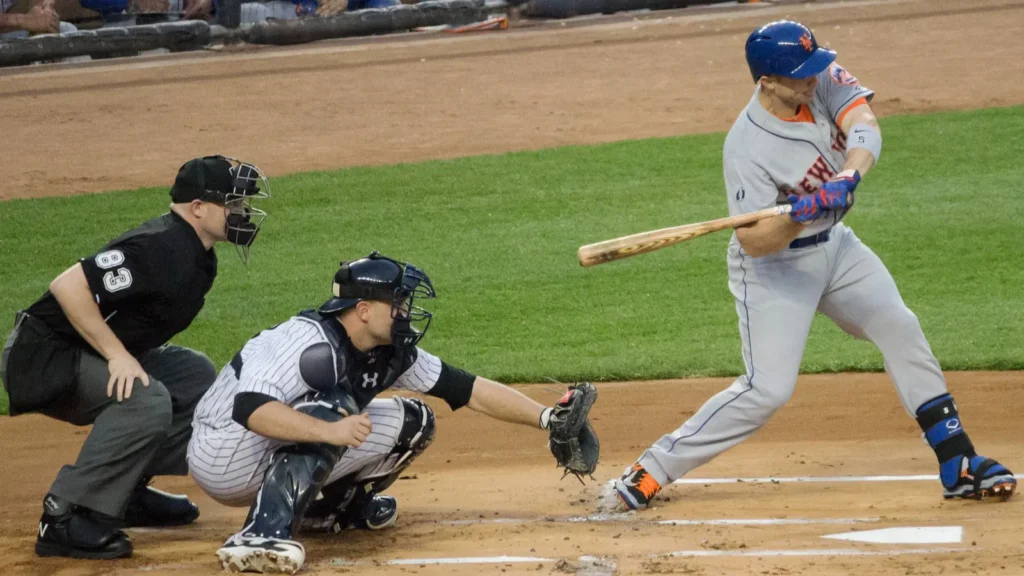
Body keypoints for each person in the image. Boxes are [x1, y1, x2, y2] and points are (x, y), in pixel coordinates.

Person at [614, 20, 1015, 510]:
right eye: (799, 76)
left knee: (900, 327)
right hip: (776, 270)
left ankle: (958, 462)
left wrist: (849, 174)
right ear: (767, 83)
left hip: (838, 250)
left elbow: (864, 124)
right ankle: (650, 470)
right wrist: (794, 217)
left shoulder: (818, 74)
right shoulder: (746, 147)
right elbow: (756, 240)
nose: (812, 80)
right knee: (768, 389)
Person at [188, 252, 599, 574]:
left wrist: (547, 419)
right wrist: (330, 431)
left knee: (414, 421)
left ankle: (324, 512)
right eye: (398, 303)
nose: (405, 312)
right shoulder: (306, 339)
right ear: (364, 309)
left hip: (270, 448)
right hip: (224, 452)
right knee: (335, 407)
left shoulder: (390, 352)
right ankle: (261, 535)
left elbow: (467, 388)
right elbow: (250, 409)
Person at [0, 155, 270, 560]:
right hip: (42, 356)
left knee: (192, 375)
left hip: (76, 350)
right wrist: (117, 356)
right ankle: (67, 515)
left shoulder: (197, 254)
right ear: (198, 208)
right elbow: (68, 285)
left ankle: (124, 493)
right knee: (145, 399)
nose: (241, 213)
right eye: (231, 204)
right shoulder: (158, 247)